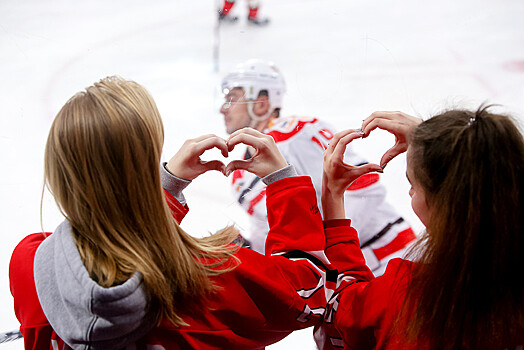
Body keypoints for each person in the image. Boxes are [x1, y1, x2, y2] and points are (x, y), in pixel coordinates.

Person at [8, 76, 360, 350]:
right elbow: (312, 290)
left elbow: (115, 253)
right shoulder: (211, 279)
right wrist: (283, 182)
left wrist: (165, 189)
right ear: (145, 168)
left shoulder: (29, 265)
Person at [319, 107, 524, 349]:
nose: (409, 192)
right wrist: (440, 141)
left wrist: (332, 198)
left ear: (443, 203)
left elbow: (341, 312)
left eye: (413, 184)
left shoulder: (407, 298)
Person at [220, 59, 416, 276]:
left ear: (261, 104)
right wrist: (250, 250)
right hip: (340, 277)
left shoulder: (299, 133)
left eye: (232, 98)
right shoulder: (240, 175)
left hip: (391, 257)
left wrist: (325, 250)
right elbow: (270, 228)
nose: (223, 108)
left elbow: (365, 188)